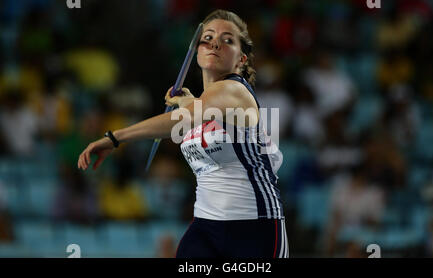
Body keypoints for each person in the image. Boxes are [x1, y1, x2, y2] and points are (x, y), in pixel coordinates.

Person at [78, 9, 288, 258]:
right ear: (197, 50)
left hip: (254, 225)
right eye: (208, 37)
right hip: (205, 225)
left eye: (227, 39)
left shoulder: (235, 90)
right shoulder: (203, 103)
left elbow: (183, 119)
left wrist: (116, 137)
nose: (215, 43)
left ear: (241, 59)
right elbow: (195, 114)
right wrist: (189, 101)